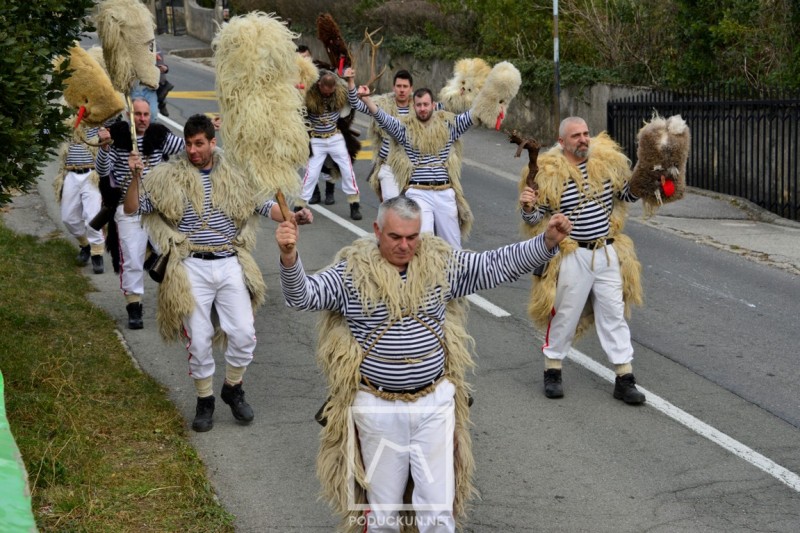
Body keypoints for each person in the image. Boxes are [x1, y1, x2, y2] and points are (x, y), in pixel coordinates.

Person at [276, 195, 572, 532]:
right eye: (395, 237)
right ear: (377, 230)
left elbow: (494, 264)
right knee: (383, 514)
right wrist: (289, 257)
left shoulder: (440, 264)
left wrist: (546, 241)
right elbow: (302, 296)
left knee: (437, 513)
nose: (405, 246)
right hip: (377, 407)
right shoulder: (351, 272)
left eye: (412, 237)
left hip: (435, 403)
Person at [123, 114, 313, 432]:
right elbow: (133, 208)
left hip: (229, 263)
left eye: (199, 144)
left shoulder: (236, 175)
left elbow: (265, 206)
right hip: (189, 265)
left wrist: (292, 215)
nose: (193, 150)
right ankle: (205, 400)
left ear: (213, 142)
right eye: (188, 143)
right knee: (198, 341)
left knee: (242, 334)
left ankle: (233, 388)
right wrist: (135, 176)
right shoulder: (167, 177)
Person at [518, 116, 647, 404]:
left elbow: (625, 194)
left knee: (614, 314)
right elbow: (535, 217)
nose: (584, 139)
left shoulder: (605, 164)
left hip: (606, 251)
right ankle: (553, 369)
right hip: (571, 254)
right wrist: (527, 204)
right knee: (565, 313)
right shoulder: (549, 172)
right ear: (562, 142)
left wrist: (644, 174)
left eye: (586, 133)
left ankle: (624, 377)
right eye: (576, 135)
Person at [349, 77, 475, 249]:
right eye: (419, 105)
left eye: (425, 104)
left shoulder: (449, 126)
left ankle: (455, 275)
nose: (422, 109)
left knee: (452, 246)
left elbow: (473, 115)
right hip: (418, 192)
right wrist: (366, 99)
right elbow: (382, 118)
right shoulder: (405, 129)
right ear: (413, 107)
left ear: (433, 105)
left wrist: (494, 94)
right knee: (424, 243)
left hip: (445, 192)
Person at [96, 98, 185, 329]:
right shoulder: (117, 139)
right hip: (129, 210)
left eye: (146, 114)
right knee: (132, 260)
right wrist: (105, 147)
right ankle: (134, 306)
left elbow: (188, 147)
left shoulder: (160, 136)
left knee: (173, 256)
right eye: (137, 114)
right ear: (129, 114)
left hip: (158, 210)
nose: (142, 119)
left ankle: (176, 302)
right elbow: (103, 171)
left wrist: (209, 129)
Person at [299, 70, 362, 220]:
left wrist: (352, 83)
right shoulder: (309, 94)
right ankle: (299, 207)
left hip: (335, 138)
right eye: (324, 91)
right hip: (316, 140)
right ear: (319, 85)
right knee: (311, 174)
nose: (327, 94)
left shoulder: (341, 93)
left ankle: (355, 205)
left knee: (347, 171)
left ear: (334, 88)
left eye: (330, 92)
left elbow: (354, 102)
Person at [346, 67, 414, 201]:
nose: (401, 89)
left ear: (411, 89)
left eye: (405, 86)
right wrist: (351, 82)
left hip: (412, 167)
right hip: (388, 165)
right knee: (391, 206)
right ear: (393, 88)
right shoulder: (381, 104)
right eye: (399, 86)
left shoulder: (420, 106)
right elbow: (355, 103)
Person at [54, 126, 106, 273]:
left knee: (92, 217)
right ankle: (85, 245)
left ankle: (97, 253)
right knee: (68, 217)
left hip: (91, 175)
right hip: (71, 173)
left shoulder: (97, 123)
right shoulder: (66, 123)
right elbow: (48, 130)